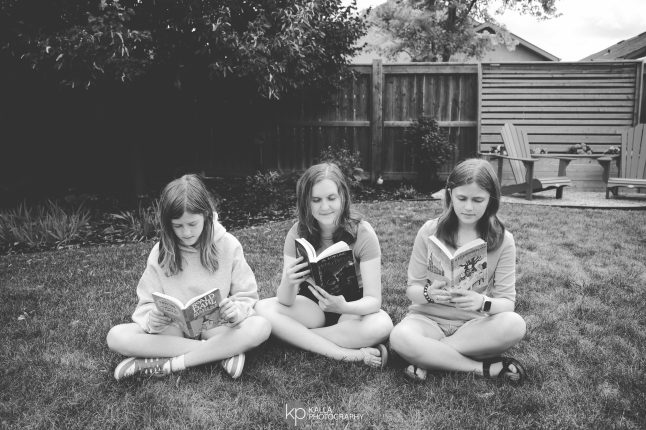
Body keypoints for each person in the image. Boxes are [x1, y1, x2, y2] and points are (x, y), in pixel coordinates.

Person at [106, 174, 271, 380]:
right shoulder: (160, 252)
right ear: (169, 224)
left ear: (206, 215)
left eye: (192, 224)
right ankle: (222, 352)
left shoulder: (228, 244)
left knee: (261, 326)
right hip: (172, 333)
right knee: (116, 336)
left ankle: (170, 364)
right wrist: (152, 319)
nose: (186, 232)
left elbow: (247, 295)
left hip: (216, 329)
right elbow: (146, 303)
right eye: (178, 226)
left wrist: (236, 311)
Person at [389, 158, 527, 384]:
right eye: (461, 198)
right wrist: (429, 294)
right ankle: (482, 369)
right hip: (426, 320)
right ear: (450, 194)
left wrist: (482, 302)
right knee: (399, 336)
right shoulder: (429, 231)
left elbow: (506, 303)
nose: (468, 207)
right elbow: (412, 289)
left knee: (515, 324)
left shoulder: (504, 240)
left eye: (478, 200)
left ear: (491, 200)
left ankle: (428, 356)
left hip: (472, 327)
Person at [255, 163, 393, 367]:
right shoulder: (297, 232)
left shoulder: (363, 233)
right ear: (306, 202)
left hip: (350, 310)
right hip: (312, 308)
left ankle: (295, 336)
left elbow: (373, 301)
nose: (325, 207)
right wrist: (289, 281)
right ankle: (347, 353)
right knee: (261, 308)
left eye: (331, 198)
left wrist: (343, 307)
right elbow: (285, 300)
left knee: (382, 324)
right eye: (316, 200)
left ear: (343, 197)